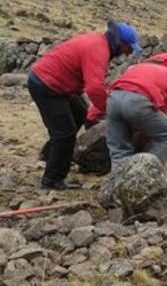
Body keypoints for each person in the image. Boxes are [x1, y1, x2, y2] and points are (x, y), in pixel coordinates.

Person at [27, 21, 142, 189]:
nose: (130, 51)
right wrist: (109, 111)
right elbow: (94, 88)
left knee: (81, 112)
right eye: (128, 47)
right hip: (46, 85)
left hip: (60, 85)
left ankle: (50, 155)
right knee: (64, 133)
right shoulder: (98, 49)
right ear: (120, 43)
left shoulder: (99, 43)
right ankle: (52, 180)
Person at [105, 53, 167, 165]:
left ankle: (117, 179)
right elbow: (164, 114)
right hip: (139, 102)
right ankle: (149, 171)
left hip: (113, 99)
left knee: (119, 149)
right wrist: (143, 140)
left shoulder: (139, 66)